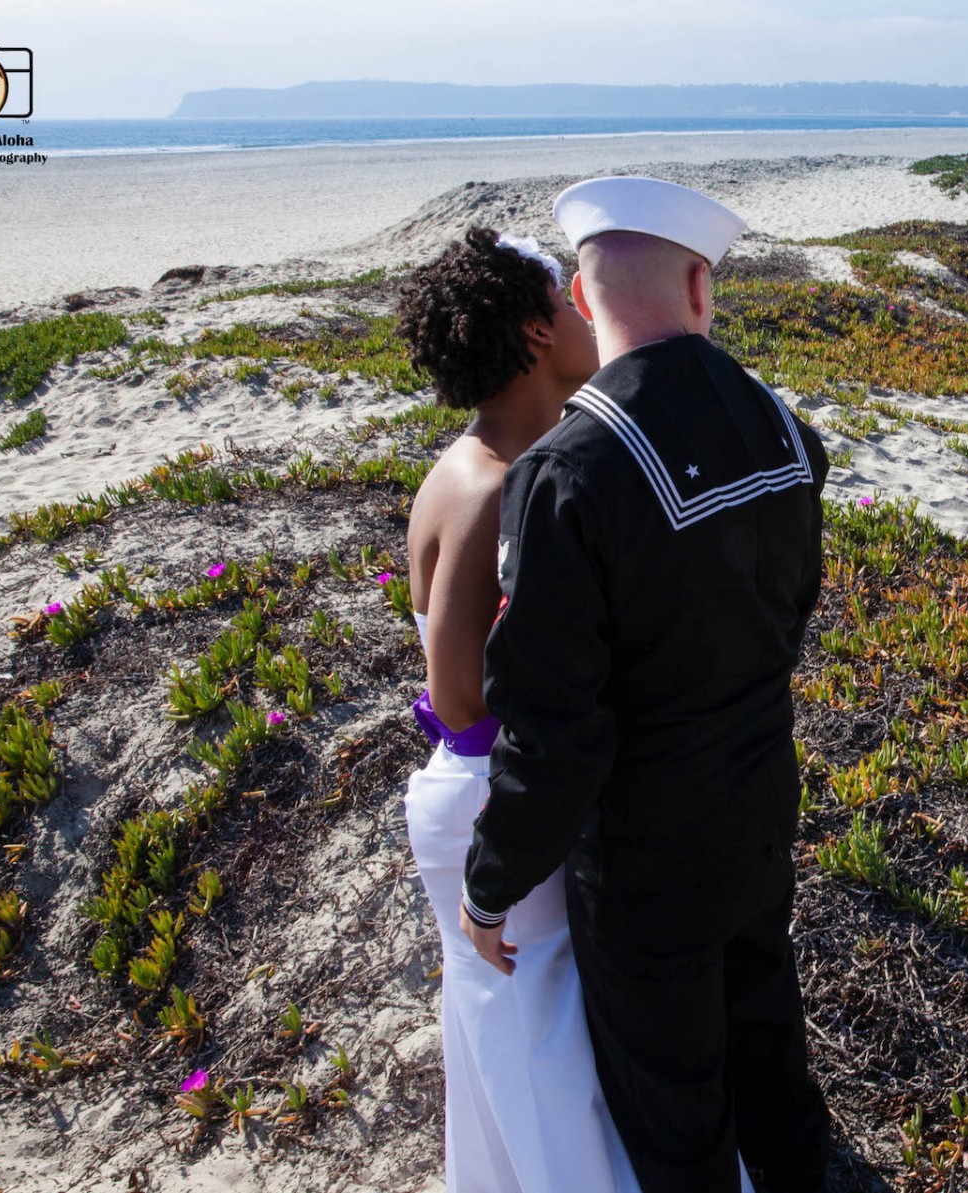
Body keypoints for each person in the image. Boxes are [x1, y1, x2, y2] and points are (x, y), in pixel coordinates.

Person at [460, 177, 833, 1193]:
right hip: (761, 801)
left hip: (647, 854)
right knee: (768, 1042)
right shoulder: (782, 426)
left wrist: (491, 879)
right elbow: (790, 611)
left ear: (584, 300)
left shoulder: (568, 469)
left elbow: (553, 728)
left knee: (675, 1114)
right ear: (701, 287)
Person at [398, 227, 641, 1193]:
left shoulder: (485, 461)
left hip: (480, 790)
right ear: (539, 333)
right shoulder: (495, 483)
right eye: (567, 301)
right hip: (490, 792)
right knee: (543, 1051)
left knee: (511, 1036)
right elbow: (460, 694)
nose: (588, 315)